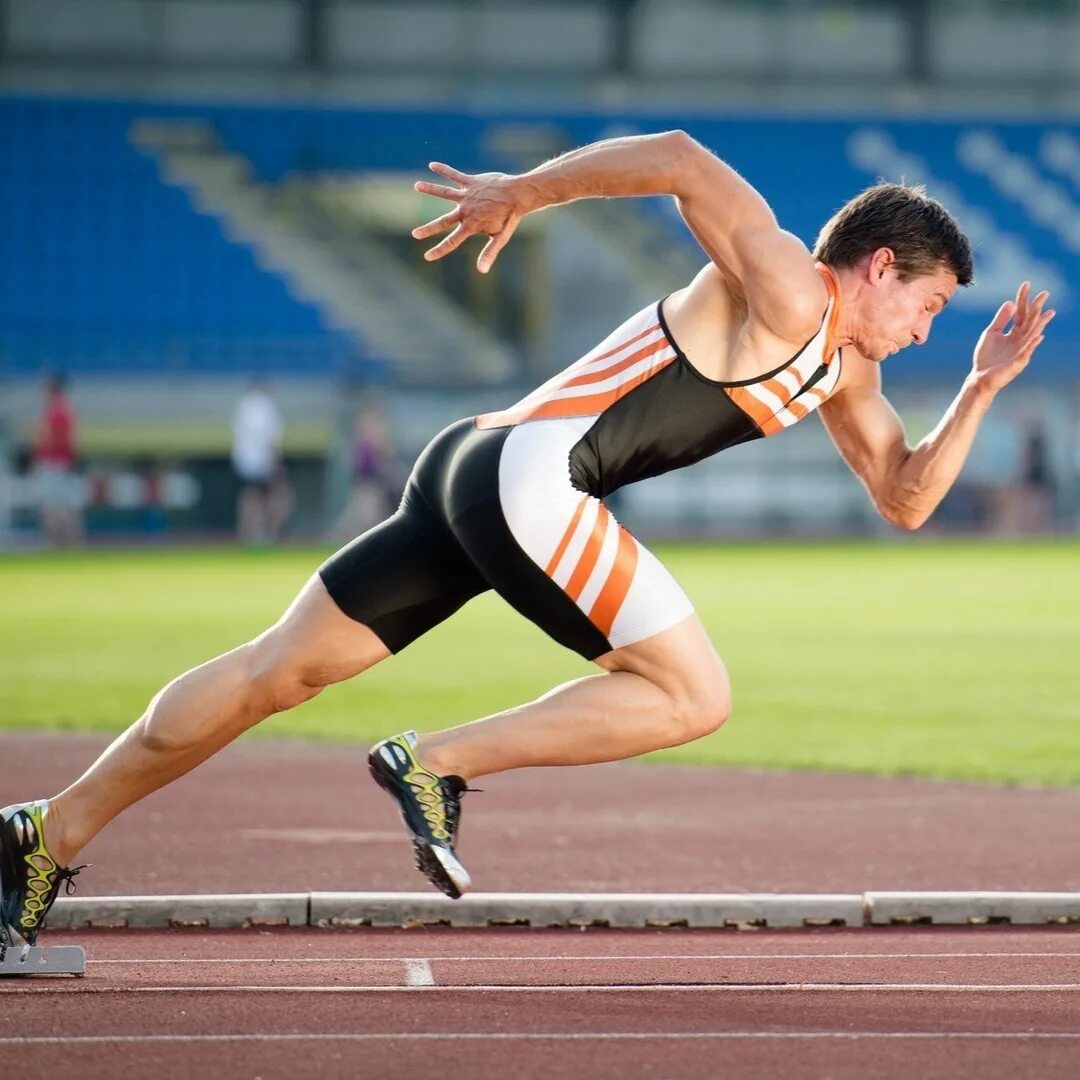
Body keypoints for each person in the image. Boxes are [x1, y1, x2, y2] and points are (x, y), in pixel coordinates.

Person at [1, 131, 1056, 944]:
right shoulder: (787, 286)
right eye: (928, 307)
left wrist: (976, 390)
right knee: (695, 695)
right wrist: (522, 193)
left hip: (470, 465)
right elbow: (683, 160)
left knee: (272, 675)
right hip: (536, 478)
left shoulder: (848, 374)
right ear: (878, 266)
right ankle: (438, 765)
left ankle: (50, 832)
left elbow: (906, 496)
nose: (926, 331)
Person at [231, 379, 291, 546]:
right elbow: (270, 440)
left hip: (245, 462)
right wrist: (275, 463)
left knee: (251, 497)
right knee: (275, 498)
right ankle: (266, 533)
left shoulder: (245, 406)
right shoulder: (266, 408)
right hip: (262, 462)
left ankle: (248, 533)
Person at [31, 374, 82, 548]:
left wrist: (40, 443)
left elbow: (56, 441)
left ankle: (57, 543)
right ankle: (66, 543)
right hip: (59, 463)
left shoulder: (58, 412)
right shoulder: (61, 411)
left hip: (54, 464)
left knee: (54, 506)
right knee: (61, 505)